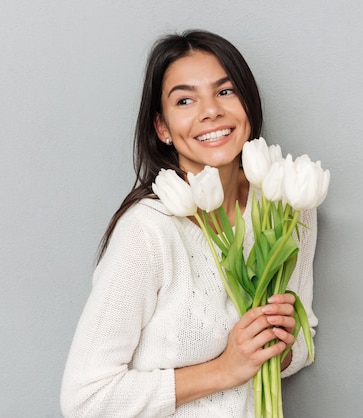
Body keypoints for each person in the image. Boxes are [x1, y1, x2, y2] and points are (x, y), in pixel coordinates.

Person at [60, 29, 318, 417]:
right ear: (162, 128)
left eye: (225, 91)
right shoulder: (148, 231)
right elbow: (85, 400)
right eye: (184, 100)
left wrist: (279, 345)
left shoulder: (288, 201)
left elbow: (300, 342)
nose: (210, 110)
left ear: (249, 104)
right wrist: (225, 369)